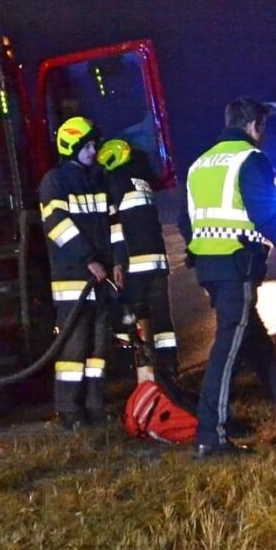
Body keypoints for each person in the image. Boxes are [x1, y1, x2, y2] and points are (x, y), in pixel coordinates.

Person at [180, 96, 276, 458]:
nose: (264, 134)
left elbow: (186, 220)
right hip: (237, 266)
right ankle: (210, 439)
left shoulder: (200, 163)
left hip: (212, 269)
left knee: (258, 347)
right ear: (253, 125)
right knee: (227, 352)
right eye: (263, 127)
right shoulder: (250, 159)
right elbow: (265, 214)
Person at [40, 116, 126, 431]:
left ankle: (95, 406)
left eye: (93, 145)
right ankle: (69, 411)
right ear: (70, 147)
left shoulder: (97, 180)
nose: (93, 151)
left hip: (101, 281)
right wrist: (89, 259)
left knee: (99, 349)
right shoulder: (55, 182)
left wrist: (118, 261)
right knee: (73, 349)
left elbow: (113, 224)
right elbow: (57, 226)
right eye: (87, 146)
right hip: (74, 282)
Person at [97, 138, 185, 403]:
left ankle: (136, 371)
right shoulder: (142, 181)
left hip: (135, 262)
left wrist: (118, 262)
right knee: (161, 320)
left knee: (129, 317)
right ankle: (169, 368)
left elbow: (115, 230)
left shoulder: (116, 184)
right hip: (157, 262)